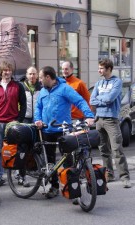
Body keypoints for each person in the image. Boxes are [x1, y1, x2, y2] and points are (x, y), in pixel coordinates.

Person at [34, 66, 95, 198]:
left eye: (41, 77)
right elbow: (38, 107)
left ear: (48, 77)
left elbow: (79, 101)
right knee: (50, 162)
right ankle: (54, 187)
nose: (39, 80)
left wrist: (89, 115)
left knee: (67, 161)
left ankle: (72, 190)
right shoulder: (42, 92)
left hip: (63, 130)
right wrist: (37, 119)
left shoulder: (65, 88)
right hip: (46, 130)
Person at [90, 58, 131, 188]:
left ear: (108, 69)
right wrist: (102, 100)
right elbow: (92, 100)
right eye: (99, 68)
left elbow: (110, 98)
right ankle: (110, 175)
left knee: (117, 149)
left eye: (101, 68)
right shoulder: (98, 83)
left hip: (111, 120)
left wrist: (100, 99)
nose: (99, 70)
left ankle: (125, 178)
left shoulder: (117, 82)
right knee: (103, 150)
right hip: (99, 119)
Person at [0, 60, 26, 187]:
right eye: (4, 70)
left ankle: (18, 175)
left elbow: (24, 105)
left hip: (12, 123)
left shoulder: (18, 86)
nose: (7, 72)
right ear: (0, 72)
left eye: (9, 70)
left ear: (11, 72)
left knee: (16, 149)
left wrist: (18, 120)